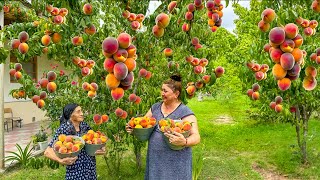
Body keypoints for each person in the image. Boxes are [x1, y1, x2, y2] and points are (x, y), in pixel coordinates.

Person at [126, 75, 201, 180]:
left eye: (165, 91)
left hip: (176, 163)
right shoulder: (155, 108)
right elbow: (144, 126)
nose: (162, 93)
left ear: (176, 94)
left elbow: (196, 137)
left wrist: (185, 141)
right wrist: (134, 129)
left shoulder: (185, 112)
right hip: (155, 162)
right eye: (162, 90)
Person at [44, 103, 105, 180]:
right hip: (75, 172)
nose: (82, 113)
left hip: (90, 169)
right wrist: (60, 160)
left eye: (81, 111)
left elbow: (94, 140)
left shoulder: (84, 125)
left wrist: (101, 148)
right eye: (78, 112)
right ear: (70, 114)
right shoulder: (64, 129)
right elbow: (47, 151)